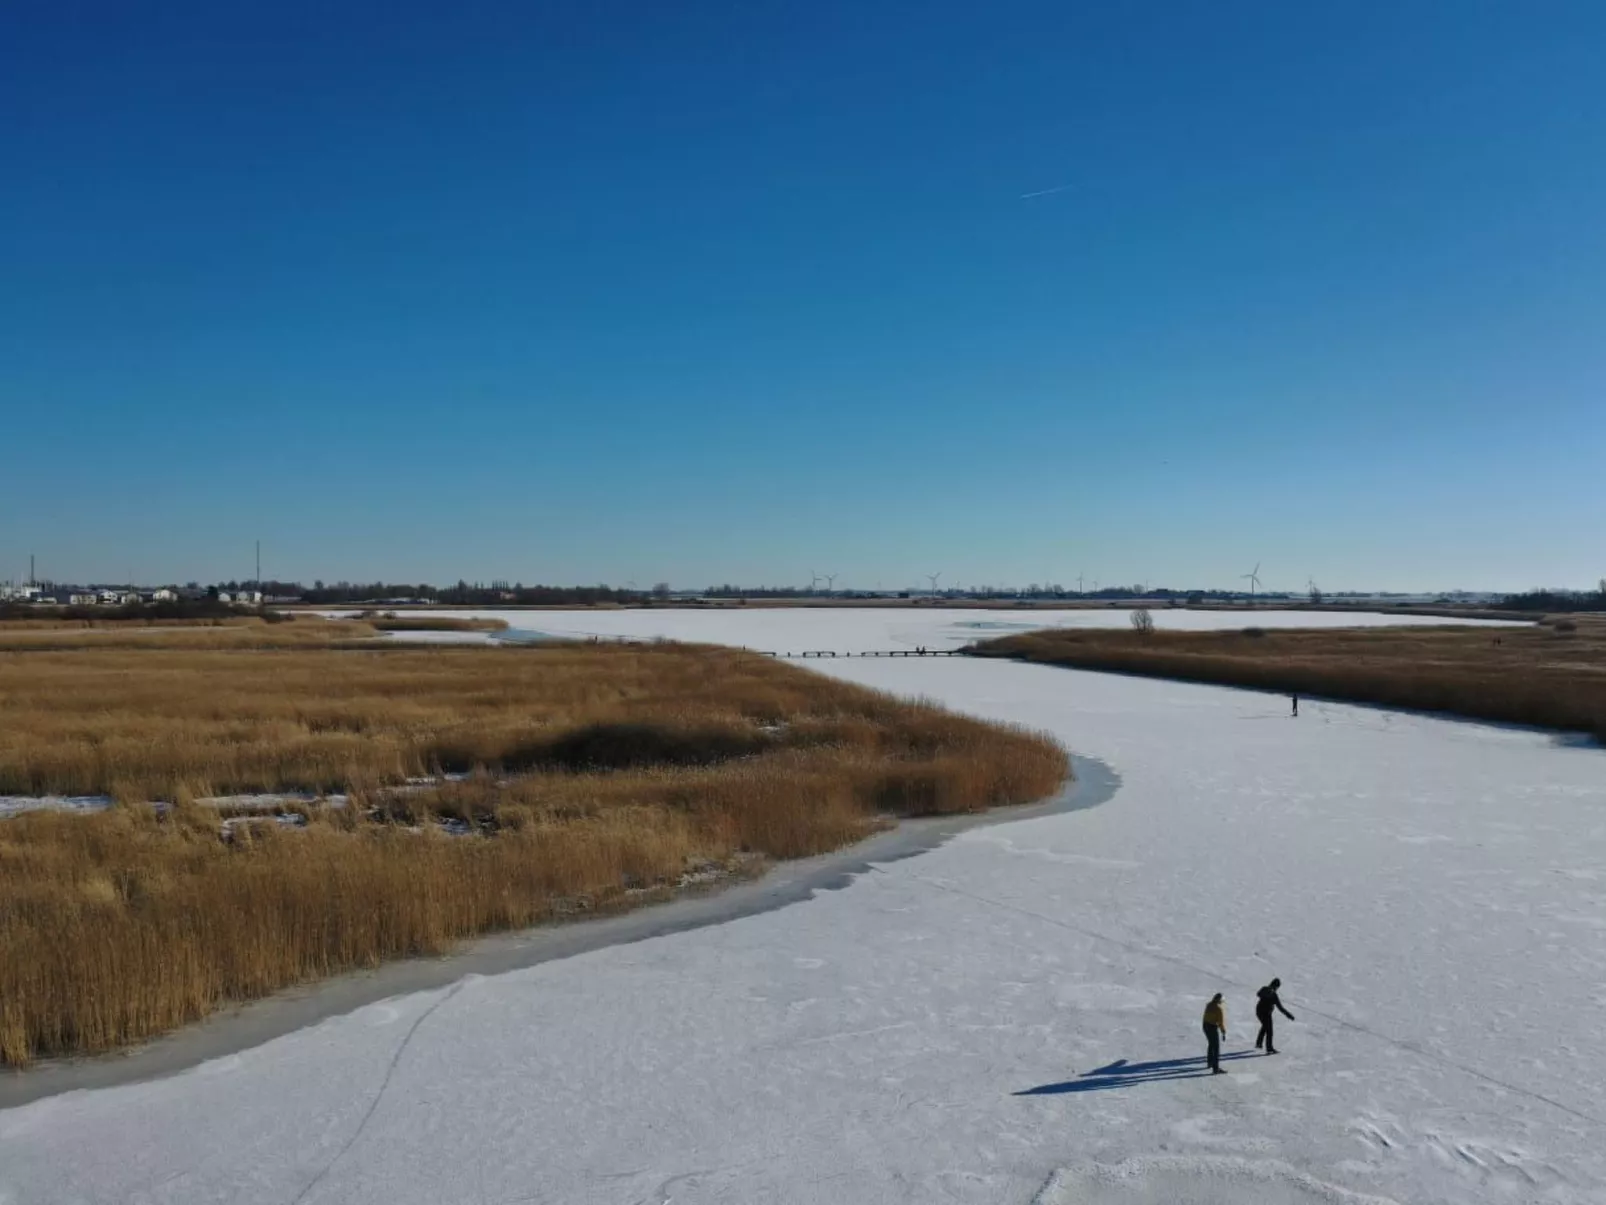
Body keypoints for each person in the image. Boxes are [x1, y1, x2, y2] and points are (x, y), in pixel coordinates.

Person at [1255, 978, 1296, 1054]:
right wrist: (1267, 993)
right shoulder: (1267, 990)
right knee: (1269, 1030)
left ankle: (1259, 1043)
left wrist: (1288, 1015)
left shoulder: (1273, 995)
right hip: (1262, 1013)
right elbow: (1258, 994)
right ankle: (1269, 1048)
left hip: (1263, 1012)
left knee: (1265, 1027)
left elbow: (1280, 1008)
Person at [1202, 993, 1227, 1074]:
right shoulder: (1218, 1009)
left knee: (1211, 1044)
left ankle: (1209, 1063)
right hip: (1212, 1027)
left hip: (1205, 1025)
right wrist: (1223, 1031)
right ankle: (1215, 1068)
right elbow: (1220, 1022)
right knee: (1216, 1048)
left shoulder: (1209, 1005)